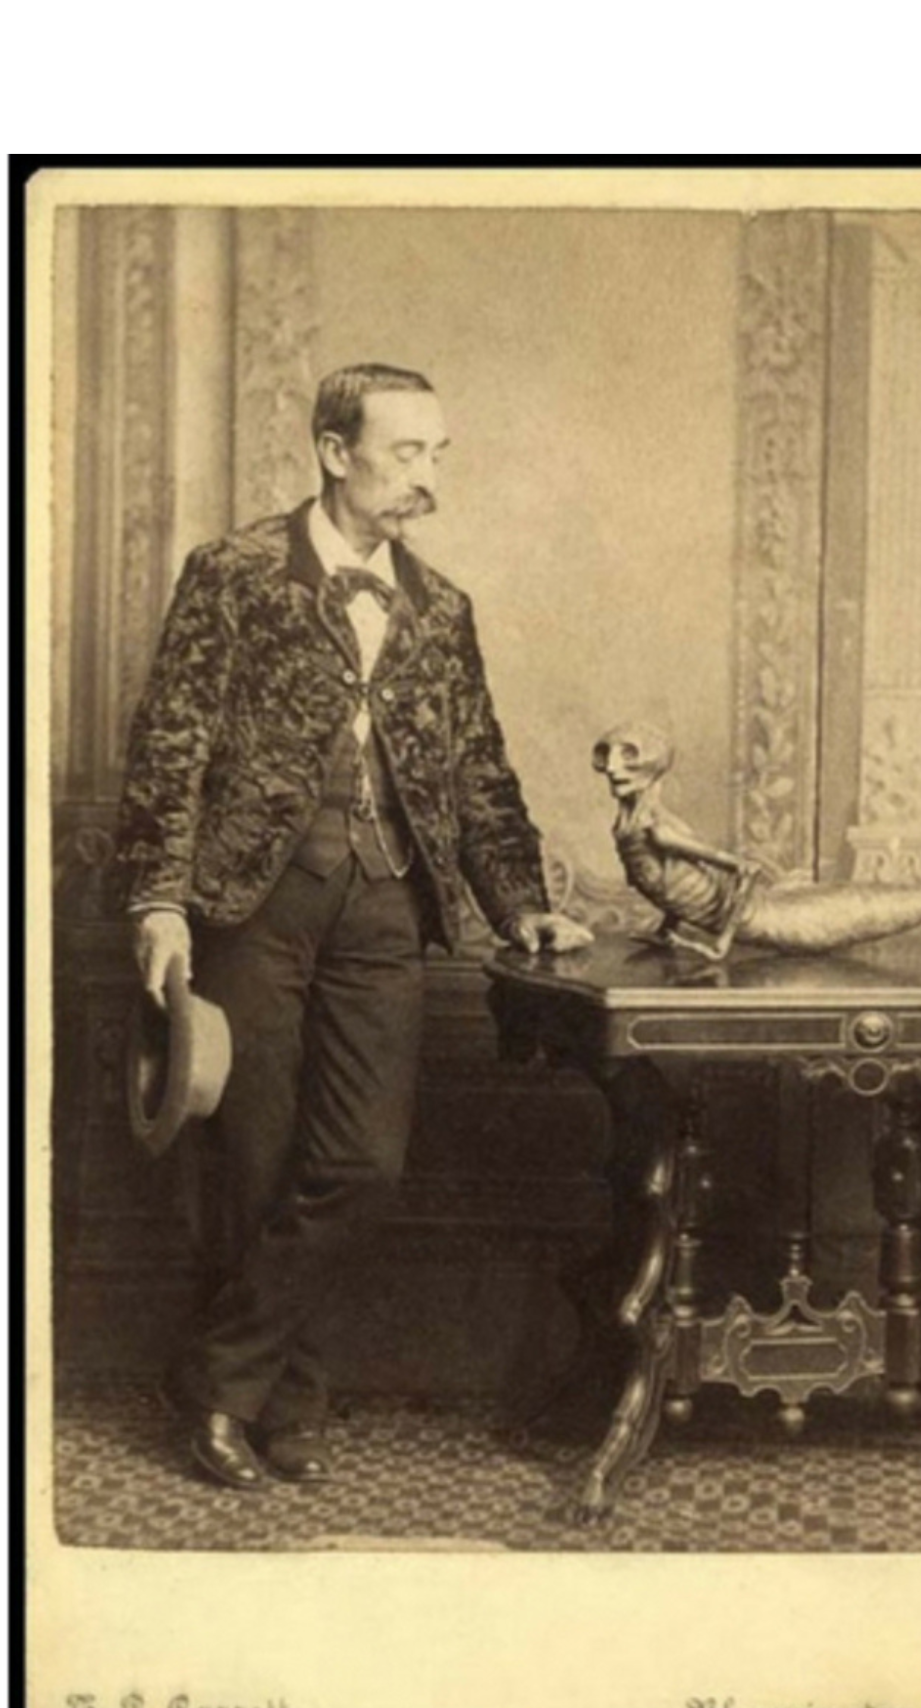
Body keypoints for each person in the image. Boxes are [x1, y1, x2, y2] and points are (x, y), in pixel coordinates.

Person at [116, 362, 591, 1490]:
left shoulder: (441, 607)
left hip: (387, 903)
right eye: (406, 451)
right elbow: (171, 745)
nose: (428, 476)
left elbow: (479, 771)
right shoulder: (233, 573)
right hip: (252, 903)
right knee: (256, 1160)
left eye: (438, 454)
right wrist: (158, 900)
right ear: (336, 453)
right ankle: (287, 1405)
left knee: (362, 1165)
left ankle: (215, 1380)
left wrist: (521, 903)